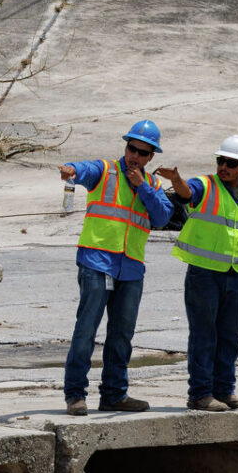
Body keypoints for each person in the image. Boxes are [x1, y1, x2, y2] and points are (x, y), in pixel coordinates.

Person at [58, 120, 174, 415]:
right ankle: (75, 395)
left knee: (122, 335)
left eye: (142, 153)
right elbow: (84, 169)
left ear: (151, 157)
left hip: (130, 267)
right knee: (86, 329)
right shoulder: (106, 170)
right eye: (132, 148)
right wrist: (71, 170)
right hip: (97, 262)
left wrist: (142, 187)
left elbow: (162, 217)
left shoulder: (153, 185)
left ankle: (114, 394)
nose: (135, 156)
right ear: (126, 147)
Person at [158, 134, 238, 412]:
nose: (223, 167)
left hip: (234, 275)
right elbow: (186, 193)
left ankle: (225, 391)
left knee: (230, 336)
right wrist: (176, 180)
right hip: (203, 274)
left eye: (231, 163)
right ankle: (200, 394)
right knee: (204, 335)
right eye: (221, 161)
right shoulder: (205, 185)